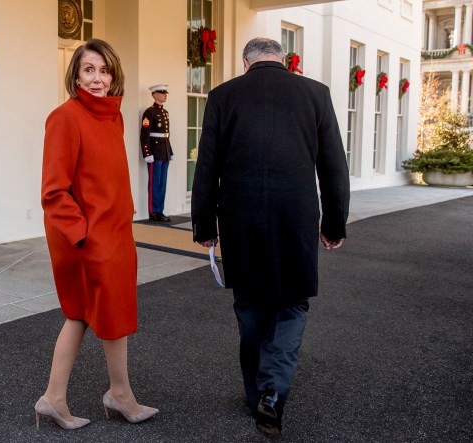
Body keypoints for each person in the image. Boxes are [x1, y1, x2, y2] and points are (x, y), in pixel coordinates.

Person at [191, 37, 350, 438]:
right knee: (292, 305)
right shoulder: (316, 93)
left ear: (246, 62)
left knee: (250, 306)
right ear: (283, 60)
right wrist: (334, 223)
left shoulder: (223, 95)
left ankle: (255, 393)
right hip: (295, 216)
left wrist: (204, 226)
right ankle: (273, 392)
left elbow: (207, 166)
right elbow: (334, 166)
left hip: (240, 218)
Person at [36, 38, 159, 431]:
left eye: (104, 70)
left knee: (105, 313)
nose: (97, 78)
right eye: (88, 70)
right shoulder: (65, 117)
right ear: (75, 74)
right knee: (82, 313)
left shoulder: (114, 116)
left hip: (116, 231)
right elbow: (53, 192)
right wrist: (85, 237)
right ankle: (103, 395)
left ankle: (76, 397)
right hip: (89, 239)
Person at [140, 84, 174, 222]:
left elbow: (166, 135)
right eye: (162, 92)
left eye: (165, 92)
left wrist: (170, 151)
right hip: (154, 153)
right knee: (154, 183)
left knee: (163, 183)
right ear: (154, 94)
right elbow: (144, 134)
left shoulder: (165, 113)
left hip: (164, 152)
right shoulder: (149, 112)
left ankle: (160, 210)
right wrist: (147, 153)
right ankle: (154, 211)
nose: (165, 95)